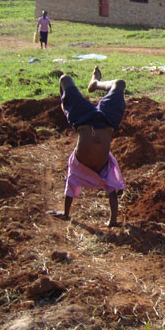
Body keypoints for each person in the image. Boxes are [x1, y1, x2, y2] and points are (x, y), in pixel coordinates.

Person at [48, 66, 126, 227]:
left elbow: (70, 186)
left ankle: (86, 89)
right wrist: (113, 221)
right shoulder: (107, 168)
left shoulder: (76, 166)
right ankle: (95, 83)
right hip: (107, 121)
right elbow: (112, 191)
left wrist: (65, 213)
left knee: (65, 79)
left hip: (82, 118)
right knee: (119, 83)